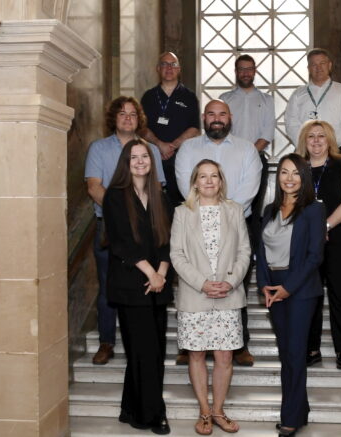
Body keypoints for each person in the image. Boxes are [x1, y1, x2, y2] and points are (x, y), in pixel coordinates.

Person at [175, 99, 262, 366]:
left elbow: (250, 188)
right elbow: (184, 183)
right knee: (194, 282)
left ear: (230, 117)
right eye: (211, 114)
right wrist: (207, 205)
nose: (216, 118)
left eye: (221, 114)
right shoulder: (188, 148)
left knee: (236, 282)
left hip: (237, 222)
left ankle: (239, 345)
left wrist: (226, 211)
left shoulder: (247, 149)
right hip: (194, 221)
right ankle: (191, 346)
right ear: (204, 117)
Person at [170, 159, 250, 435]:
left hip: (228, 294)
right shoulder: (182, 213)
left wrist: (229, 282)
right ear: (194, 182)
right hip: (195, 294)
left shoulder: (235, 210)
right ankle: (204, 411)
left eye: (213, 176)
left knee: (225, 356)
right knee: (197, 354)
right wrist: (202, 283)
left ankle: (218, 411)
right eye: (202, 176)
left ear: (220, 181)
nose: (208, 181)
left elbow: (244, 252)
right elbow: (176, 255)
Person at [85, 96, 166, 365]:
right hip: (110, 229)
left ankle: (144, 341)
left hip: (147, 233)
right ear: (114, 118)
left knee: (146, 282)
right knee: (109, 285)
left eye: (133, 114)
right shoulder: (98, 148)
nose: (128, 118)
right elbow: (94, 186)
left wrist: (140, 217)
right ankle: (107, 341)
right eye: (122, 113)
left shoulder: (151, 150)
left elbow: (157, 189)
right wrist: (121, 211)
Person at [103, 139, 173, 435]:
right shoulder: (115, 196)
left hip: (157, 285)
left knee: (152, 350)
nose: (140, 161)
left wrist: (161, 273)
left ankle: (130, 409)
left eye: (145, 156)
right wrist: (150, 273)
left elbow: (169, 240)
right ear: (125, 162)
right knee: (144, 352)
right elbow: (121, 243)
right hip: (131, 286)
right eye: (134, 157)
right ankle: (152, 415)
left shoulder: (160, 195)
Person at [257, 154, 325, 437]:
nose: (289, 178)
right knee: (287, 353)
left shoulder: (314, 209)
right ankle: (301, 409)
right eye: (284, 172)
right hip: (273, 285)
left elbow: (314, 257)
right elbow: (260, 251)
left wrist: (289, 288)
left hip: (300, 288)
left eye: (295, 173)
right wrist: (264, 284)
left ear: (304, 177)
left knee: (296, 354)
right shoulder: (270, 210)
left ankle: (290, 417)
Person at [220, 54, 276, 358]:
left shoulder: (266, 100)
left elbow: (266, 135)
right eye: (240, 69)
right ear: (236, 72)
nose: (245, 73)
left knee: (250, 221)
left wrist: (247, 154)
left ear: (254, 71)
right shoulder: (225, 99)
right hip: (225, 163)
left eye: (249, 69)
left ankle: (250, 255)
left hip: (254, 159)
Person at [295, 120, 341, 371]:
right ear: (305, 140)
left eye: (321, 136)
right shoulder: (299, 167)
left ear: (330, 139)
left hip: (340, 239)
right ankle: (312, 349)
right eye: (310, 136)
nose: (316, 140)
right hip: (307, 243)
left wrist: (324, 227)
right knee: (310, 296)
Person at [141, 51, 201, 205]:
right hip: (153, 156)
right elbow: (141, 127)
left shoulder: (189, 96)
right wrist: (160, 145)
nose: (169, 67)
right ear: (157, 69)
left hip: (181, 158)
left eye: (173, 64)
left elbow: (195, 128)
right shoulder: (148, 97)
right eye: (164, 64)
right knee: (154, 201)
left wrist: (172, 146)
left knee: (180, 201)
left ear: (179, 69)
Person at [285, 48, 341, 151]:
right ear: (309, 68)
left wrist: (330, 145)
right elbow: (291, 123)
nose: (318, 67)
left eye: (322, 63)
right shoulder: (298, 94)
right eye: (314, 64)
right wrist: (306, 145)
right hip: (305, 151)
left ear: (330, 65)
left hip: (335, 150)